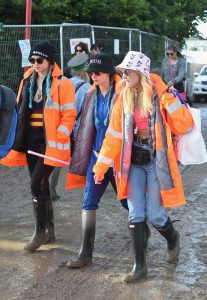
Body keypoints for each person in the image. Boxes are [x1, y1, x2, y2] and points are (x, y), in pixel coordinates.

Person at [93, 51, 193, 283]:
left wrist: (169, 98)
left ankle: (172, 238)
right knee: (136, 213)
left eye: (127, 71)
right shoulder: (123, 98)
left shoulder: (160, 96)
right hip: (133, 163)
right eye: (122, 71)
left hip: (156, 161)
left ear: (140, 73)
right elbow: (114, 136)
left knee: (156, 215)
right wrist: (100, 167)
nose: (123, 75)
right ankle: (140, 267)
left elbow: (184, 125)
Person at [1, 42, 76, 252]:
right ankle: (49, 230)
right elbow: (19, 109)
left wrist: (60, 134)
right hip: (30, 140)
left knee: (36, 184)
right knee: (40, 185)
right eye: (32, 60)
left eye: (39, 60)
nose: (35, 64)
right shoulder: (26, 80)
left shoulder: (64, 84)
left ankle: (39, 232)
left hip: (51, 142)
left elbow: (69, 115)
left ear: (50, 62)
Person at [62, 53, 128, 269]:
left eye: (97, 73)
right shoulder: (90, 94)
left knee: (127, 203)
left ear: (110, 74)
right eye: (90, 73)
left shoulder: (123, 94)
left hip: (117, 160)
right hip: (96, 158)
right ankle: (85, 253)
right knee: (88, 203)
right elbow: (79, 121)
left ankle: (144, 233)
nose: (93, 76)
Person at [49, 53, 91, 201]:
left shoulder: (62, 83)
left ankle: (50, 190)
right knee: (88, 157)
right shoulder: (88, 88)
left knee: (56, 161)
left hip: (59, 128)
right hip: (77, 130)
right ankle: (93, 186)